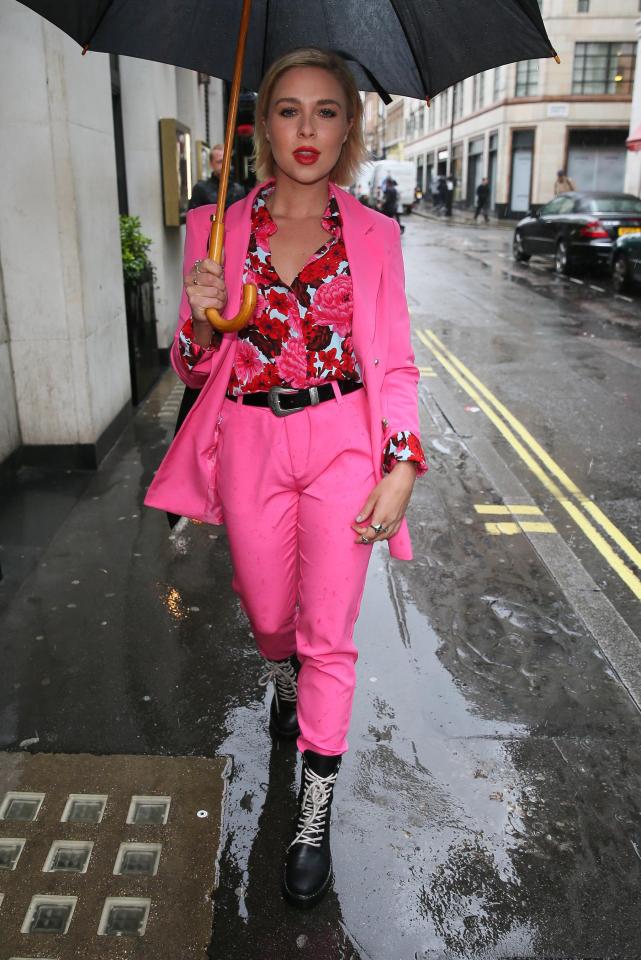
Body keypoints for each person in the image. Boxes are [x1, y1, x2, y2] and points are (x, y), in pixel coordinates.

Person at [145, 47, 426, 907]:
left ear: (348, 128)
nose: (308, 130)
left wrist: (401, 462)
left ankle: (313, 811)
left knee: (329, 634)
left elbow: (400, 362)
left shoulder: (374, 234)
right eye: (290, 110)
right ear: (263, 124)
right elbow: (193, 368)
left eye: (327, 111)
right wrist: (196, 318)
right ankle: (281, 674)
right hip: (251, 441)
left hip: (344, 435)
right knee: (271, 616)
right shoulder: (215, 230)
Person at [188, 143, 245, 210]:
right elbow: (193, 218)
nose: (224, 166)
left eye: (227, 161)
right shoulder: (200, 190)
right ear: (211, 164)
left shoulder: (238, 191)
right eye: (220, 162)